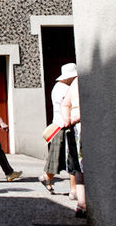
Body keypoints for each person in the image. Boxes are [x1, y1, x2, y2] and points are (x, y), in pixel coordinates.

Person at [38, 63, 78, 196]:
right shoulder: (64, 89)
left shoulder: (58, 87)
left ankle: (47, 177)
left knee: (59, 157)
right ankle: (74, 189)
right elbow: (68, 106)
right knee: (71, 156)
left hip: (59, 125)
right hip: (64, 125)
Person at [62, 76, 86, 218]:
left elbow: (65, 105)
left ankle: (81, 205)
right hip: (80, 126)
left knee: (78, 167)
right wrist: (70, 119)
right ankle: (82, 203)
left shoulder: (75, 81)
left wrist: (67, 120)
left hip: (74, 127)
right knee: (80, 166)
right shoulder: (80, 80)